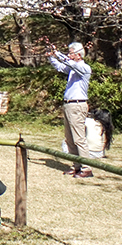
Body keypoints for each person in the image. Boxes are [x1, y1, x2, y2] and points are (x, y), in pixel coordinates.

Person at [49, 41, 93, 178]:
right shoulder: (72, 69)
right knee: (70, 138)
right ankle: (76, 165)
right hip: (68, 105)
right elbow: (60, 67)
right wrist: (51, 56)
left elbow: (68, 63)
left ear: (79, 55)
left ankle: (86, 167)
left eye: (71, 53)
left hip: (77, 105)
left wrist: (57, 53)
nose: (69, 55)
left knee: (79, 138)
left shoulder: (84, 68)